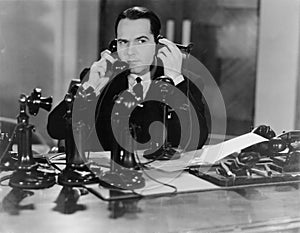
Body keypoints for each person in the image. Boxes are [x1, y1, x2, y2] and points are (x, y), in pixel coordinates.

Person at [47, 6, 208, 154]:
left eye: (141, 41)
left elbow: (196, 141)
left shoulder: (183, 82)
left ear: (157, 45)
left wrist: (175, 80)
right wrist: (89, 88)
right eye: (123, 42)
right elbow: (55, 129)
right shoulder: (101, 78)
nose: (131, 52)